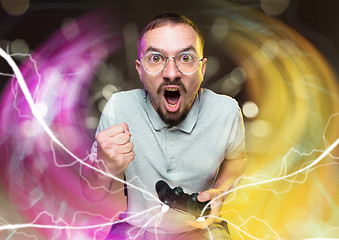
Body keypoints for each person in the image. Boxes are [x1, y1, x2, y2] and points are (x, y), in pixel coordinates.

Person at [81, 13, 247, 240]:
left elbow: (237, 158)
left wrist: (220, 192)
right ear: (140, 70)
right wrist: (103, 165)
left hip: (201, 230)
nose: (171, 73)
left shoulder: (226, 111)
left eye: (186, 58)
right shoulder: (119, 107)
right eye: (156, 59)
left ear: (202, 69)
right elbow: (92, 193)